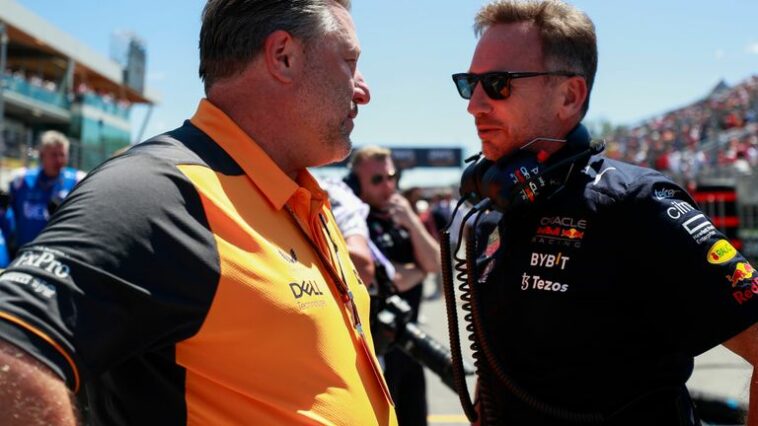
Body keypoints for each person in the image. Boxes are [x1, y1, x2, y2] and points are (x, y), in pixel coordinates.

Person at [0, 1, 397, 424]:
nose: (362, 89)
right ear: (283, 56)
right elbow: (10, 347)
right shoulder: (159, 192)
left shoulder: (298, 194)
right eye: (349, 61)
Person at [450, 1, 758, 424]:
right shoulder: (491, 214)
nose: (475, 105)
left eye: (498, 83)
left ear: (570, 95)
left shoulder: (636, 203)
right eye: (470, 84)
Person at [346, 146, 441, 426]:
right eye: (377, 180)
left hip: (410, 345)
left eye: (391, 176)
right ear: (357, 184)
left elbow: (436, 263)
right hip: (378, 349)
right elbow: (389, 279)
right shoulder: (356, 222)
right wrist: (420, 270)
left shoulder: (403, 217)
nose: (388, 185)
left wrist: (413, 223)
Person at [7, 130, 85, 251]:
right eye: (54, 155)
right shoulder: (20, 181)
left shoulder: (78, 182)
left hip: (58, 256)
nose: (59, 160)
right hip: (23, 253)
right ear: (42, 155)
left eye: (62, 155)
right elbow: (9, 219)